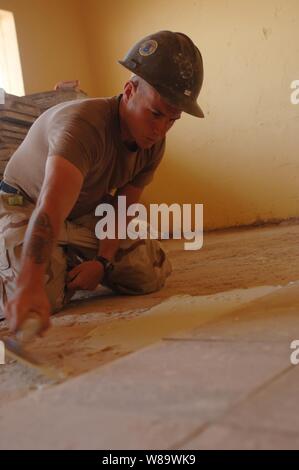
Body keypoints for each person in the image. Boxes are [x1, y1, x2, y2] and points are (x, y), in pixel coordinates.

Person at [0, 30, 204, 333]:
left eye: (172, 120)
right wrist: (29, 282)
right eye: (155, 114)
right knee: (39, 295)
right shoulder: (81, 127)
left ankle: (62, 259)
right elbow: (50, 209)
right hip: (26, 205)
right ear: (130, 90)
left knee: (147, 270)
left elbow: (121, 207)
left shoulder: (153, 145)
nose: (160, 130)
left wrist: (102, 263)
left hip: (82, 211)